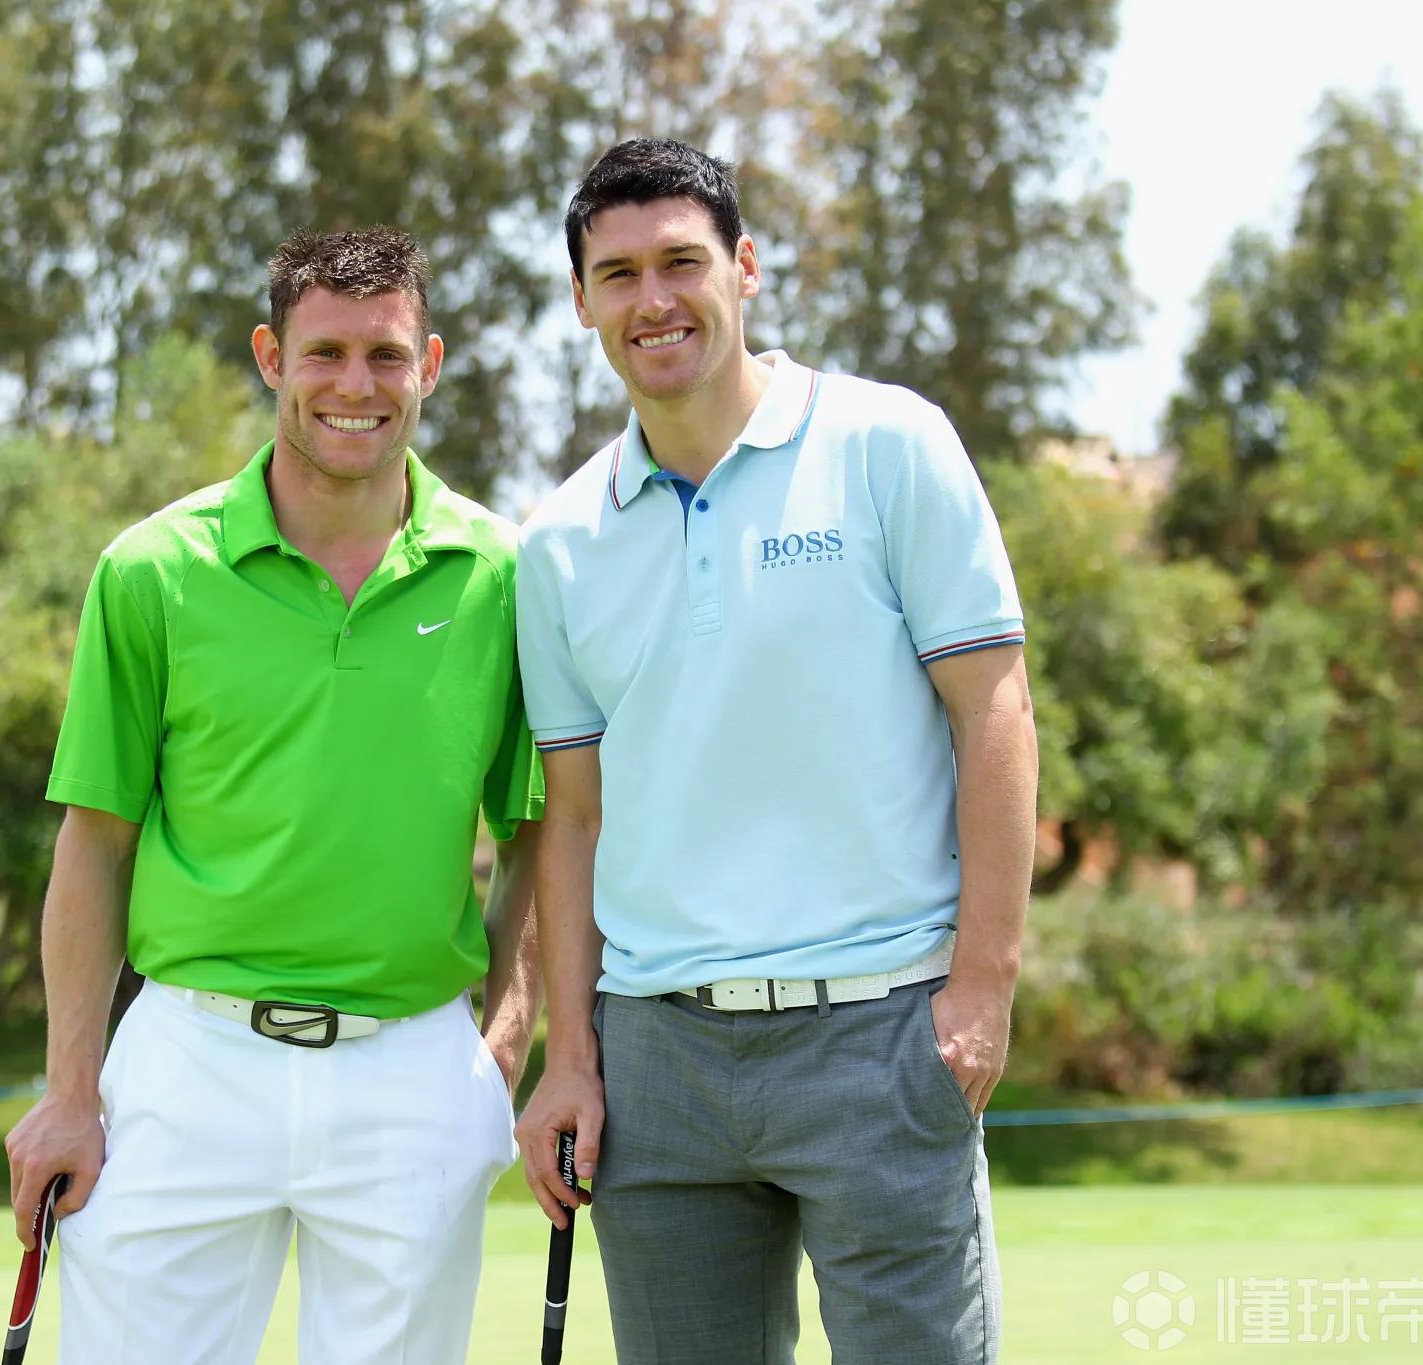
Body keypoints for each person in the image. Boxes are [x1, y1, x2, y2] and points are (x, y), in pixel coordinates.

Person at [512, 138, 1038, 1364]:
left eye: (681, 263)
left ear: (742, 268)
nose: (652, 300)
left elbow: (993, 714)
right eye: (617, 274)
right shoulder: (558, 542)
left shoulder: (887, 444)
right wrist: (568, 1059)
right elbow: (572, 819)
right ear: (581, 301)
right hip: (655, 1066)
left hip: (881, 1033)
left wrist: (981, 987)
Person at [4, 226, 542, 1365]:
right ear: (269, 357)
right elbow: (94, 844)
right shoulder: (151, 569)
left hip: (411, 1069)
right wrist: (67, 1091)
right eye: (324, 353)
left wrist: (503, 1039)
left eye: (386, 355)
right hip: (186, 1065)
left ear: (429, 365)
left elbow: (536, 830)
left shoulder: (502, 575)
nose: (357, 385)